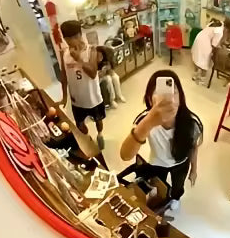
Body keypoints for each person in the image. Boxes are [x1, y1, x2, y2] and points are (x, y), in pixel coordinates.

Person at [119, 70, 202, 217]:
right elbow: (125, 155)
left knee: (178, 185)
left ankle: (176, 198)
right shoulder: (144, 121)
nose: (168, 99)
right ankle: (163, 198)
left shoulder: (192, 123)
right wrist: (148, 123)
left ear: (181, 98)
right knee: (159, 186)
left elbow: (193, 148)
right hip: (157, 162)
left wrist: (194, 170)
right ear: (150, 100)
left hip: (181, 162)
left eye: (173, 92)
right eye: (160, 93)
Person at [59, 20, 105, 149]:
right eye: (68, 39)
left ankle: (100, 134)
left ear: (80, 35)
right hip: (76, 99)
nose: (72, 42)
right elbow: (64, 75)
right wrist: (64, 97)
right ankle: (87, 138)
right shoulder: (64, 53)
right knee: (79, 124)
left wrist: (79, 59)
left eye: (74, 37)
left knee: (98, 120)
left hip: (93, 97)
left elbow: (92, 73)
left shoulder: (92, 50)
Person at [191, 18, 230, 84]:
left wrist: (221, 43)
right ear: (227, 29)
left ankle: (195, 75)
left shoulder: (217, 22)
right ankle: (201, 81)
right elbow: (214, 44)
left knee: (197, 58)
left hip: (199, 39)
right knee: (205, 63)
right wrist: (221, 46)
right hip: (204, 44)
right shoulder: (219, 31)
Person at [96, 46, 126, 110]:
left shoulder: (105, 61)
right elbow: (96, 76)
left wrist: (108, 69)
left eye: (101, 55)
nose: (99, 57)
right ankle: (112, 100)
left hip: (104, 75)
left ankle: (119, 96)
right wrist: (102, 72)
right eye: (98, 55)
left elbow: (112, 72)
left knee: (115, 77)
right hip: (97, 79)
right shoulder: (93, 62)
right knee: (108, 79)